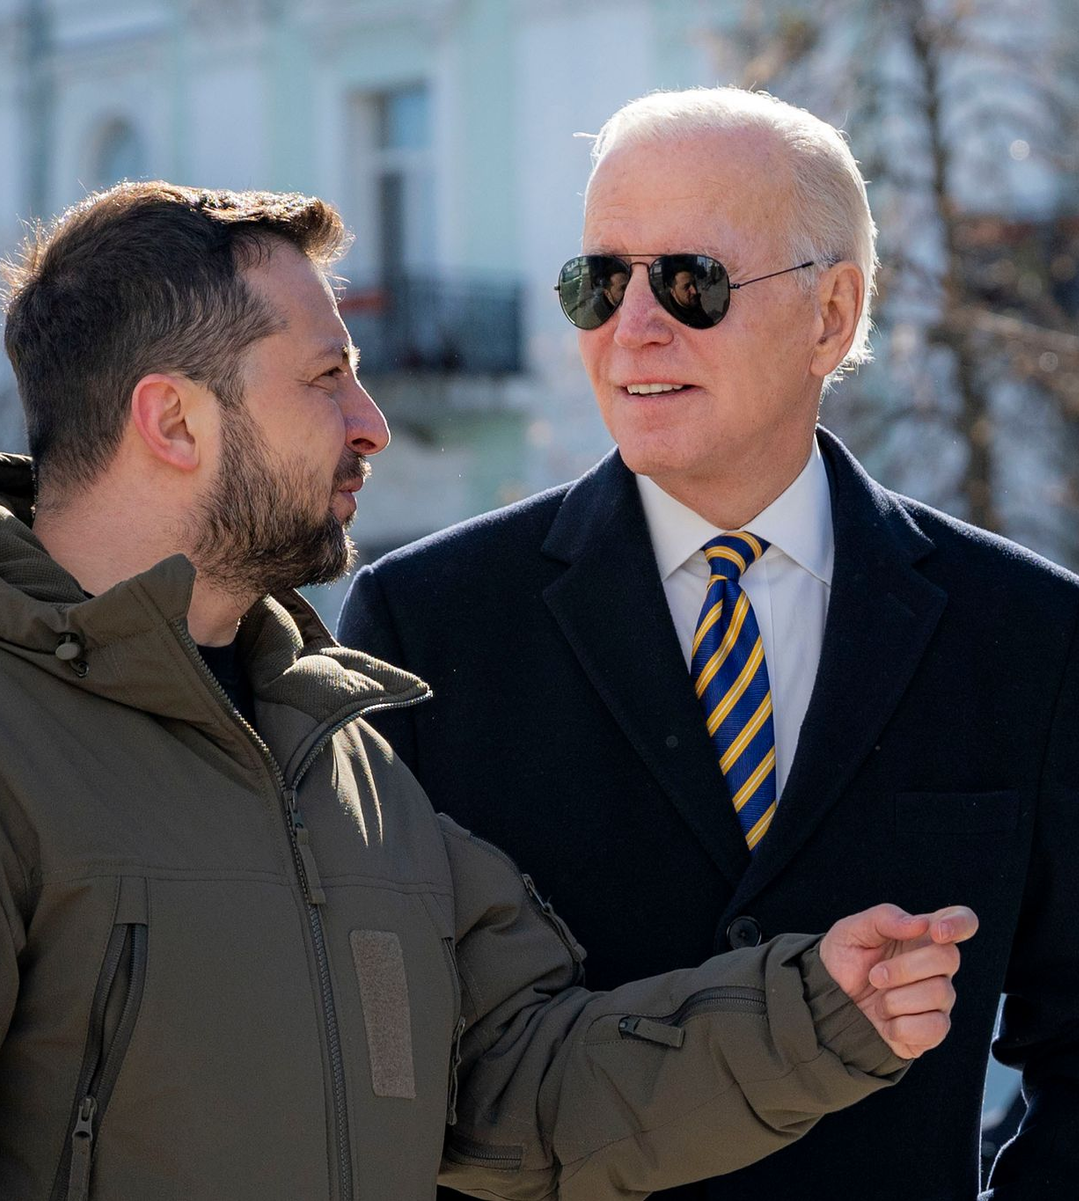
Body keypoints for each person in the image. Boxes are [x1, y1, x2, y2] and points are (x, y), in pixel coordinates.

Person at [0, 181, 976, 1201]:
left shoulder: (341, 762)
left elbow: (509, 1085)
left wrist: (815, 1013)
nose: (371, 424)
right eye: (327, 378)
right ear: (173, 419)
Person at [339, 87, 1079, 1201]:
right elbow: (392, 1065)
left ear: (831, 314)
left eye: (689, 281)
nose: (633, 328)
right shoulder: (426, 622)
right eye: (598, 282)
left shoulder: (1020, 627)